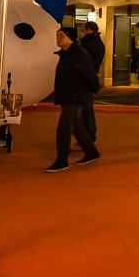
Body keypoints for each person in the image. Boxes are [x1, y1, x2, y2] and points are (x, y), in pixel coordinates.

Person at [46, 27, 101, 172]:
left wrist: (93, 89)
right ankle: (91, 152)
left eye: (61, 36)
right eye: (57, 35)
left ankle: (61, 160)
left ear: (70, 37)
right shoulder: (67, 54)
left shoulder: (78, 55)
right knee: (76, 127)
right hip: (70, 95)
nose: (57, 38)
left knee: (64, 129)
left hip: (75, 96)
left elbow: (89, 74)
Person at [78, 21, 105, 142]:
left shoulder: (87, 44)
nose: (81, 33)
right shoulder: (98, 43)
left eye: (83, 30)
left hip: (85, 78)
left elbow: (82, 61)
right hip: (91, 76)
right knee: (87, 109)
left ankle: (88, 138)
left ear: (89, 30)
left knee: (85, 110)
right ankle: (89, 136)